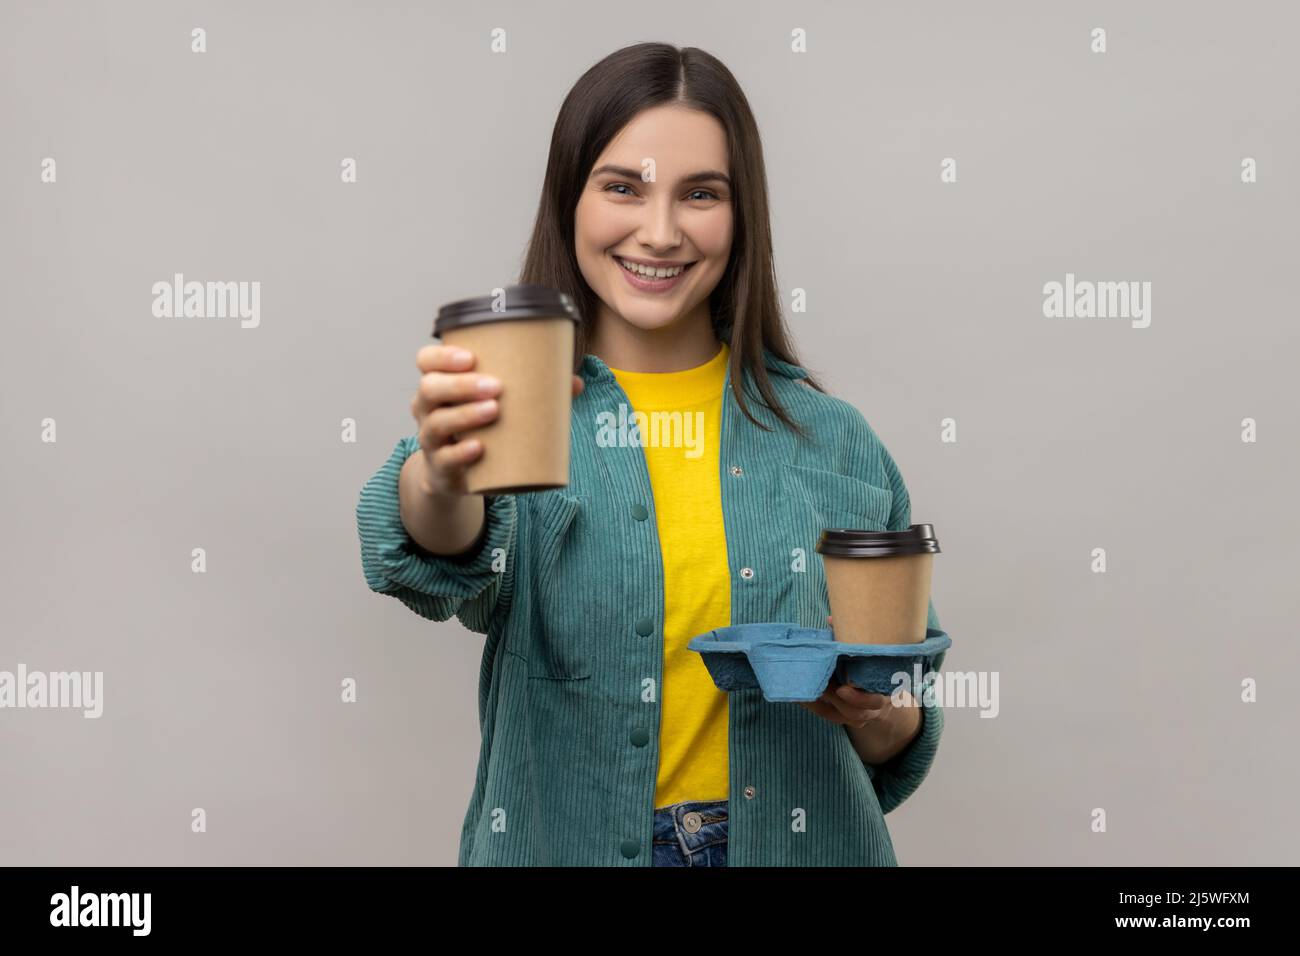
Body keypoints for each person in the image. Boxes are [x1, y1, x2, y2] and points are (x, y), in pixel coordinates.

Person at [356, 42, 946, 867]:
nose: (660, 232)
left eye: (700, 194)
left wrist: (876, 709)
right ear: (572, 198)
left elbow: (902, 714)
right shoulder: (513, 419)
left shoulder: (835, 440)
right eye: (623, 188)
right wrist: (440, 474)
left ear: (742, 217)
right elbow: (428, 552)